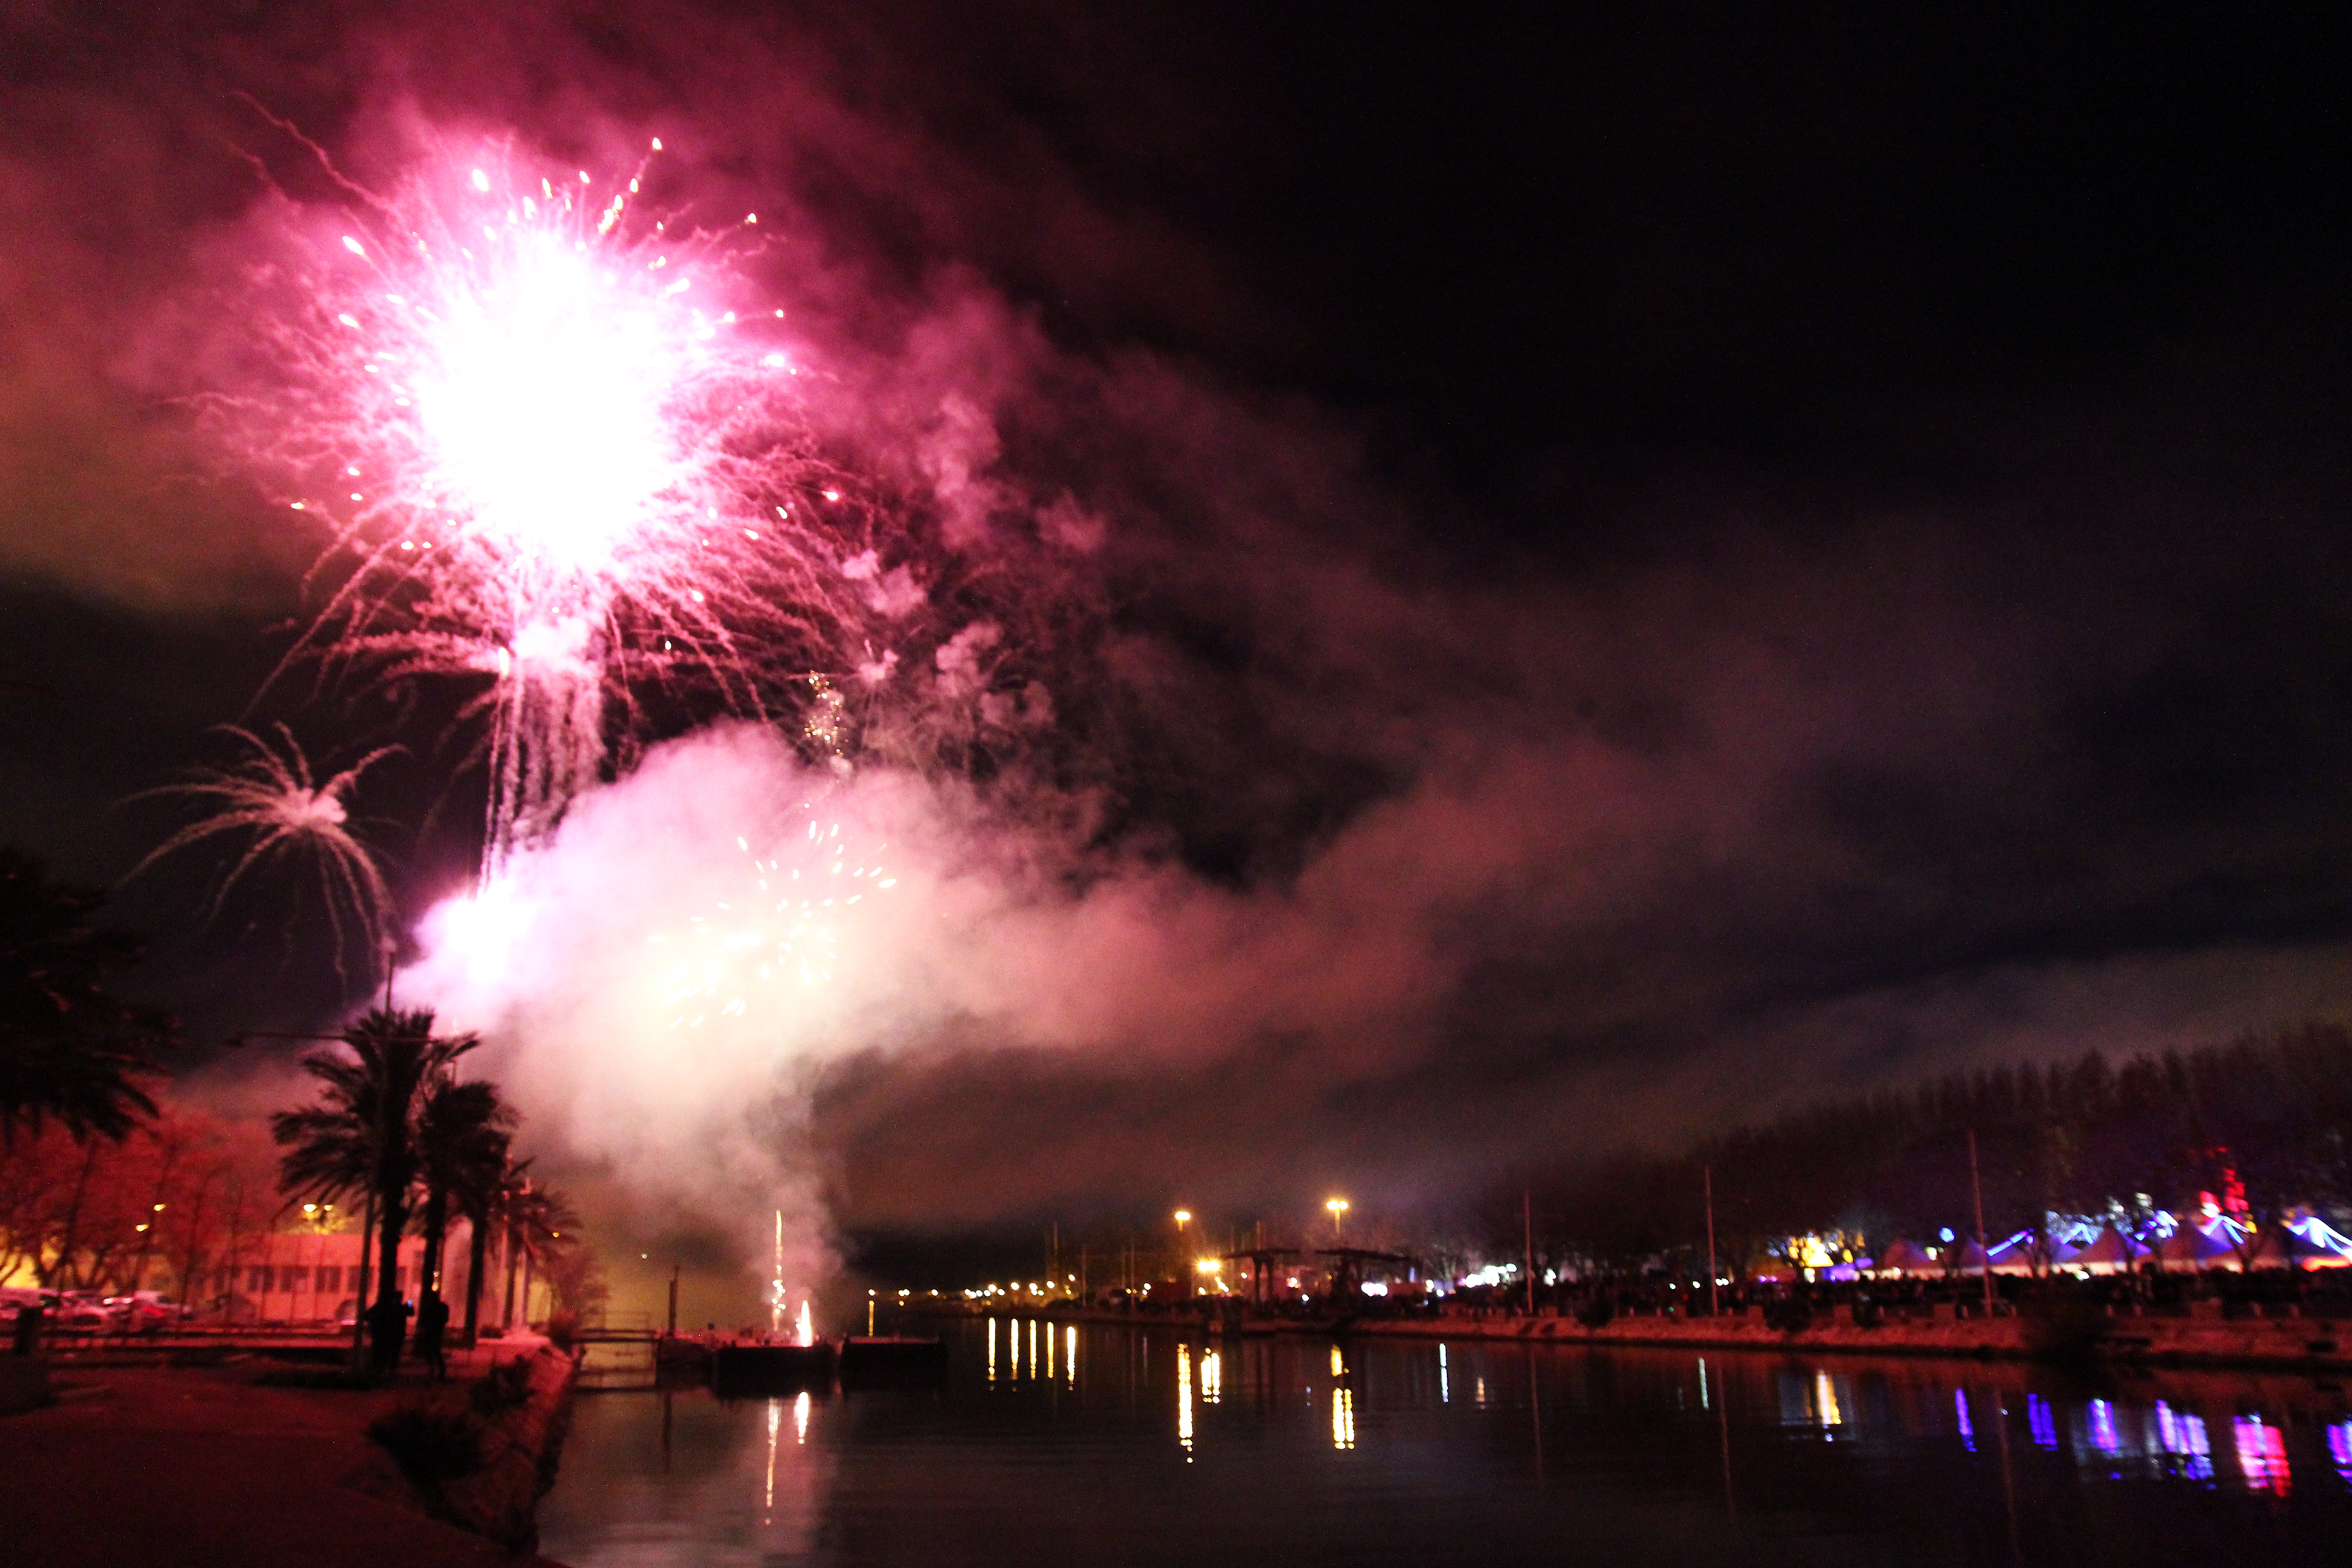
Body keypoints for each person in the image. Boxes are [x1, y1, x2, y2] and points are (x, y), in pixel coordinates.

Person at [415, 1290, 451, 1381]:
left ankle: (435, 1369)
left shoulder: (431, 1308)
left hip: (432, 1331)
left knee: (433, 1351)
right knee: (435, 1351)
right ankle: (438, 1370)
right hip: (435, 1331)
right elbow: (445, 1319)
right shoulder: (441, 1307)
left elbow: (424, 1319)